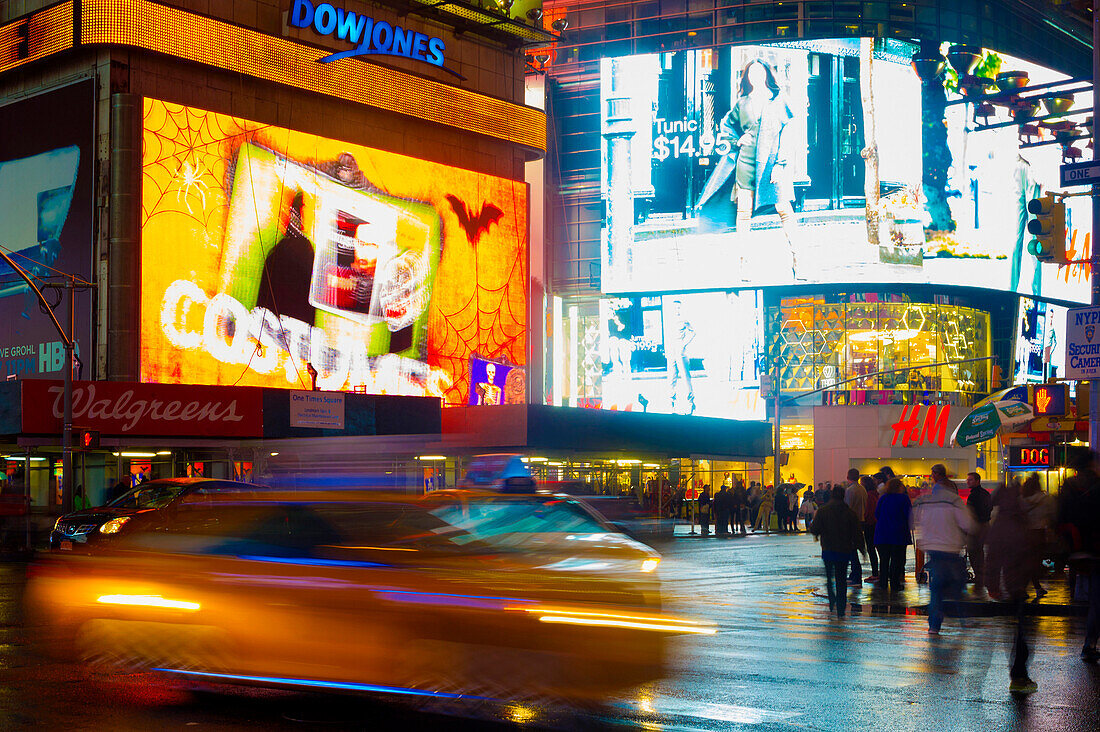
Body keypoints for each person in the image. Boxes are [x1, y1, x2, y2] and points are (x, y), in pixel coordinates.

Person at [695, 58, 800, 279]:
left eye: (759, 72)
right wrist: (736, 141)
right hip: (746, 165)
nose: (755, 76)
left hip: (773, 165)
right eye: (750, 73)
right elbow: (725, 126)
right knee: (743, 216)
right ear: (747, 77)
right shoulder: (742, 103)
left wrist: (781, 165)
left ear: (766, 74)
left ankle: (798, 262)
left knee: (785, 211)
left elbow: (788, 135)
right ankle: (744, 267)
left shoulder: (780, 100)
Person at [985, 480, 1040, 693]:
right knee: (1021, 633)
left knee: (1020, 632)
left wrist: (991, 583)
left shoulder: (1002, 521)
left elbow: (992, 557)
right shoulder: (1017, 519)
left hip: (1011, 582)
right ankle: (1019, 676)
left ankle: (1019, 675)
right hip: (1016, 583)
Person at [912, 464, 976, 635]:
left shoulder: (927, 500)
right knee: (957, 586)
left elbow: (915, 520)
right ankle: (964, 619)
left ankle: (934, 625)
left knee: (936, 589)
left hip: (933, 549)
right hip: (951, 548)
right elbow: (967, 524)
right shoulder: (954, 501)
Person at [1057, 448, 1100, 662]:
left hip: (1079, 551)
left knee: (1094, 599)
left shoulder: (1069, 488)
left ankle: (1089, 643)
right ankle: (1089, 644)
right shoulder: (1095, 486)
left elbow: (1060, 518)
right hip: (1096, 548)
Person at [810, 485, 867, 618]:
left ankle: (832, 600)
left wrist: (818, 532)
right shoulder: (850, 513)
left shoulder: (823, 511)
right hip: (844, 550)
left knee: (830, 578)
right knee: (841, 579)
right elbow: (857, 533)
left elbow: (814, 529)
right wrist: (862, 549)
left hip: (828, 549)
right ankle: (841, 607)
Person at [874, 477, 912, 592]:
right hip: (898, 534)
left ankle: (883, 583)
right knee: (897, 560)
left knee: (884, 560)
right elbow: (908, 515)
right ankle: (895, 584)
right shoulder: (904, 499)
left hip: (882, 534)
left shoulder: (883, 498)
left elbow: (877, 514)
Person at [1021, 473, 1054, 599]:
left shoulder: (1021, 500)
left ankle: (1030, 588)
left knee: (1027, 562)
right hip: (1039, 533)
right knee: (1035, 562)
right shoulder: (1046, 499)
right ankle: (1034, 587)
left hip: (1025, 534)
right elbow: (1052, 514)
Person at [965, 471, 993, 591]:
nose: (967, 482)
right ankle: (981, 575)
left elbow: (970, 512)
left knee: (973, 552)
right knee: (979, 552)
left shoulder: (973, 496)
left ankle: (979, 576)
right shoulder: (986, 494)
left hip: (975, 526)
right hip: (985, 525)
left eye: (970, 480)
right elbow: (990, 508)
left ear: (977, 481)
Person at [843, 468, 867, 586]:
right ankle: (854, 574)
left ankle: (856, 576)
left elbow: (847, 508)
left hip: (852, 522)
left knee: (852, 550)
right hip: (861, 520)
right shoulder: (862, 489)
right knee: (855, 548)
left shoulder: (849, 490)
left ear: (848, 477)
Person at [860, 475, 880, 583]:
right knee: (877, 549)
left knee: (871, 549)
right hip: (876, 524)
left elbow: (869, 511)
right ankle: (878, 572)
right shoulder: (875, 494)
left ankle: (875, 573)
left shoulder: (869, 495)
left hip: (870, 524)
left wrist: (865, 518)